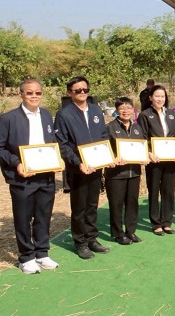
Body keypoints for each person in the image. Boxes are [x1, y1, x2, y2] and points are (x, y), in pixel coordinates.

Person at [0, 79, 60, 273]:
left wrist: (57, 160)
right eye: (29, 93)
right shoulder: (8, 118)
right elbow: (1, 148)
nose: (34, 96)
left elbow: (51, 143)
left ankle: (42, 253)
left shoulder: (46, 115)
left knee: (43, 215)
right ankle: (26, 257)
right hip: (22, 178)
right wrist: (17, 163)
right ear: (21, 94)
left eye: (38, 93)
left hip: (46, 176)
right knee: (23, 218)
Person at [54, 76, 112, 259]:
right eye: (77, 90)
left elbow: (103, 135)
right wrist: (78, 162)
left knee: (92, 204)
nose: (82, 92)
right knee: (79, 207)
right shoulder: (64, 115)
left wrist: (107, 156)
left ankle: (92, 238)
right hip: (77, 168)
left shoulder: (96, 110)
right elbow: (62, 144)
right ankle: (80, 242)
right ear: (69, 93)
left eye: (85, 89)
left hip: (96, 165)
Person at [138, 85, 175, 236]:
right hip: (154, 160)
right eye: (157, 96)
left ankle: (167, 222)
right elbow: (143, 136)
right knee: (154, 190)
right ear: (150, 97)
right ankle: (156, 223)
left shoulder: (172, 114)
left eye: (162, 96)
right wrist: (148, 152)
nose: (160, 99)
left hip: (170, 158)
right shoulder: (145, 115)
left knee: (168, 190)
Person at [106, 97, 146, 245]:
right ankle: (118, 233)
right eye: (122, 108)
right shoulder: (110, 127)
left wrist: (144, 156)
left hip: (134, 172)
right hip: (116, 174)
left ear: (132, 110)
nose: (126, 111)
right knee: (116, 204)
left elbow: (142, 146)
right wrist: (113, 158)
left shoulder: (137, 128)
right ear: (117, 110)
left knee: (132, 202)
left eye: (128, 108)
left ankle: (131, 231)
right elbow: (105, 148)